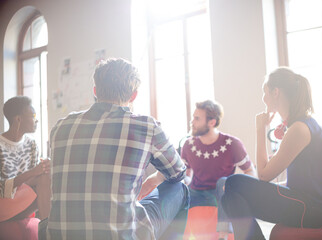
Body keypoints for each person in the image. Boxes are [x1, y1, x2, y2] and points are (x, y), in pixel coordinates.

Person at [44, 58, 189, 240]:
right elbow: (178, 173)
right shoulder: (145, 126)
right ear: (133, 95)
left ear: (95, 91)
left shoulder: (60, 127)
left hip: (61, 234)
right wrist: (154, 180)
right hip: (121, 235)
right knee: (180, 189)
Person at [221, 67, 322, 240]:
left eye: (265, 92)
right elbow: (304, 180)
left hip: (320, 211)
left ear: (275, 92)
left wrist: (260, 130)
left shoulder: (299, 128)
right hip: (314, 205)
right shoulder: (301, 124)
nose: (263, 98)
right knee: (229, 197)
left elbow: (263, 175)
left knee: (234, 183)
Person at [181, 100, 256, 240]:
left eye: (197, 118)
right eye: (193, 117)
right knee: (177, 188)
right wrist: (184, 182)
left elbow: (251, 172)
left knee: (224, 182)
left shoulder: (232, 144)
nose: (192, 122)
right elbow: (187, 174)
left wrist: (240, 189)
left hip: (220, 193)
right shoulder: (188, 144)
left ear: (211, 122)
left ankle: (223, 235)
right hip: (197, 193)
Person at [0, 96, 51, 223]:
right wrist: (33, 172)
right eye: (33, 116)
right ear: (18, 119)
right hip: (4, 204)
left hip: (24, 200)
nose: (36, 120)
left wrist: (43, 168)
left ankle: (47, 228)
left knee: (47, 175)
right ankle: (48, 230)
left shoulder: (31, 144)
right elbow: (2, 188)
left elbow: (33, 180)